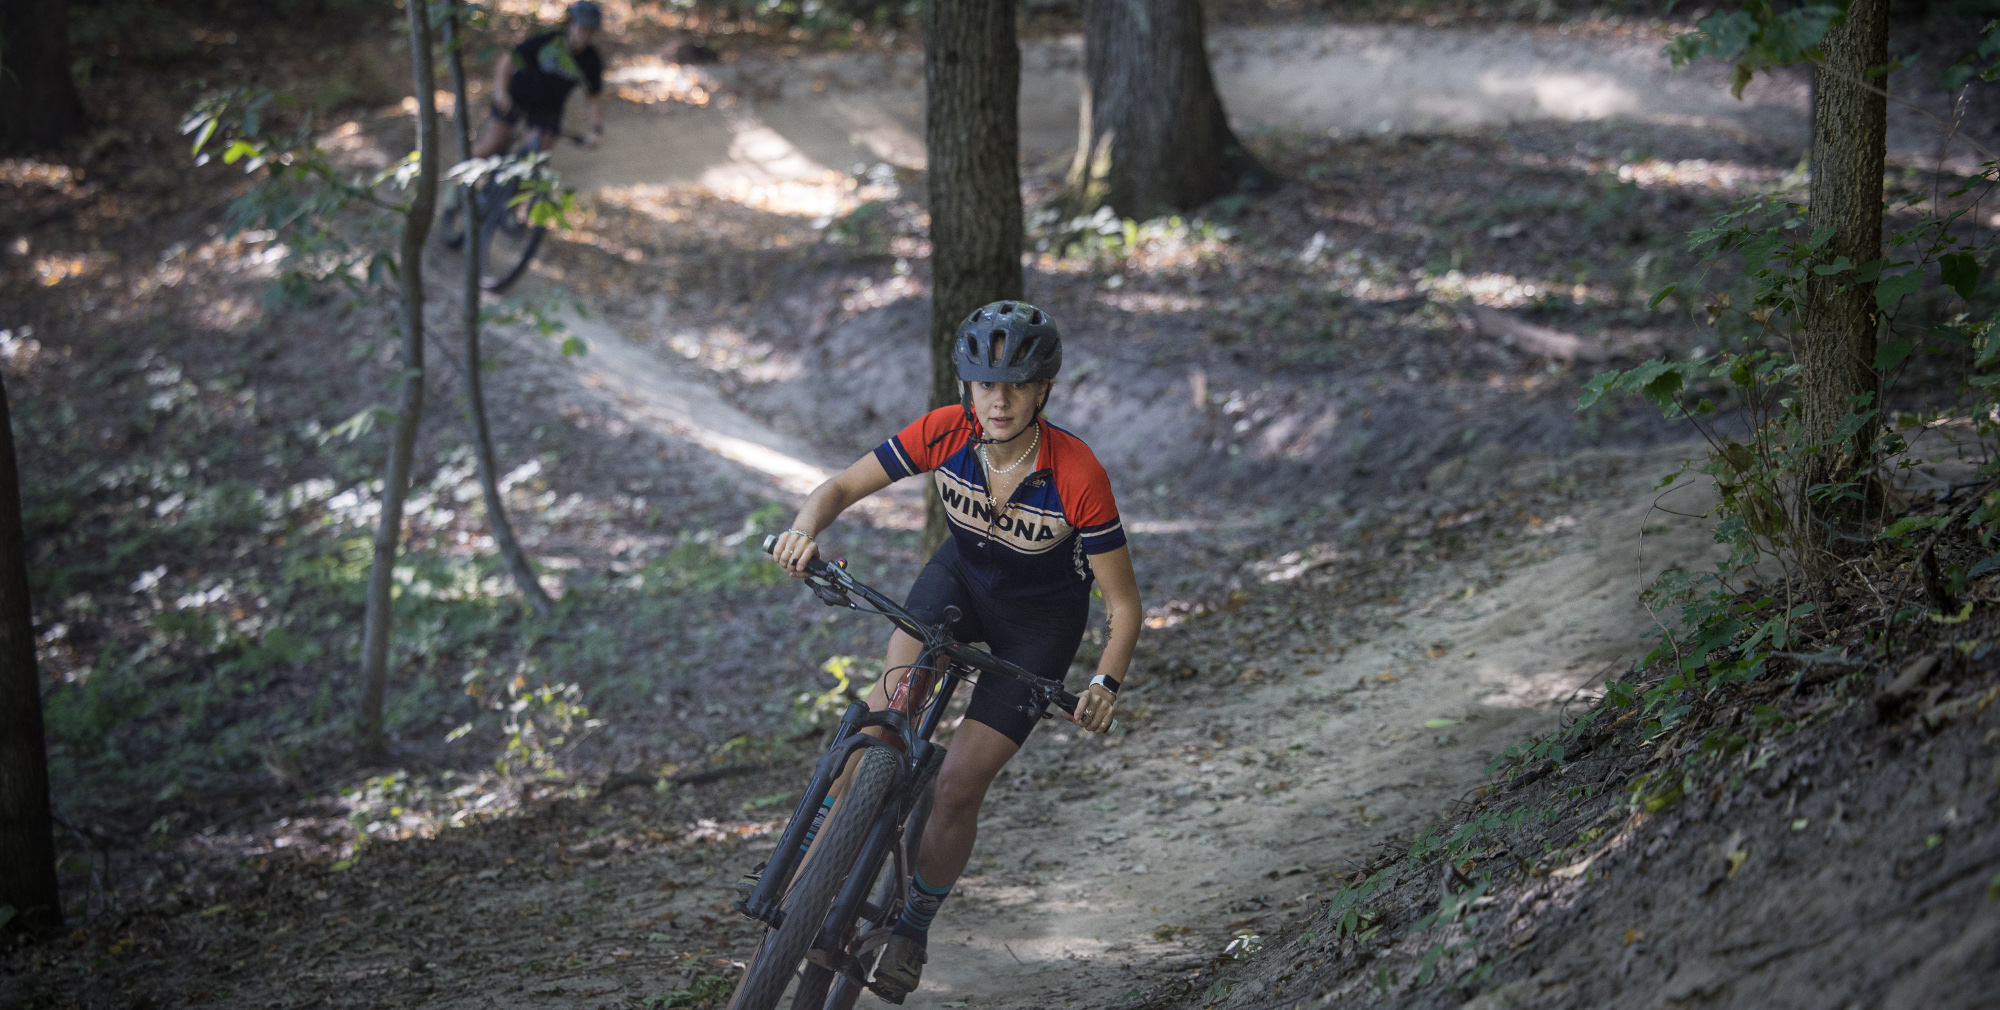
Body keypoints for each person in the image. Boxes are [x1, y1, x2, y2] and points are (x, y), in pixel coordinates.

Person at [768, 301, 1142, 1002]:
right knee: (881, 719)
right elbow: (843, 486)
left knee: (958, 785)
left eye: (1016, 385)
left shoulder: (1077, 473)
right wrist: (803, 530)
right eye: (984, 384)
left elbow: (1125, 606)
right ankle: (821, 861)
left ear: (1043, 391)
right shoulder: (947, 432)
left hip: (1040, 624)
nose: (998, 400)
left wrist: (1106, 683)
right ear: (966, 388)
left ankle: (911, 927)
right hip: (959, 582)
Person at [472, 1, 606, 158]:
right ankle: (462, 179)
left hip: (548, 109)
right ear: (570, 23)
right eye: (583, 29)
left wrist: (595, 130)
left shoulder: (591, 60)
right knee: (491, 145)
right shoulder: (547, 41)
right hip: (516, 96)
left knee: (536, 154)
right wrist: (501, 92)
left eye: (591, 31)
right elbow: (509, 59)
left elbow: (594, 96)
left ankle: (518, 181)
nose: (586, 36)